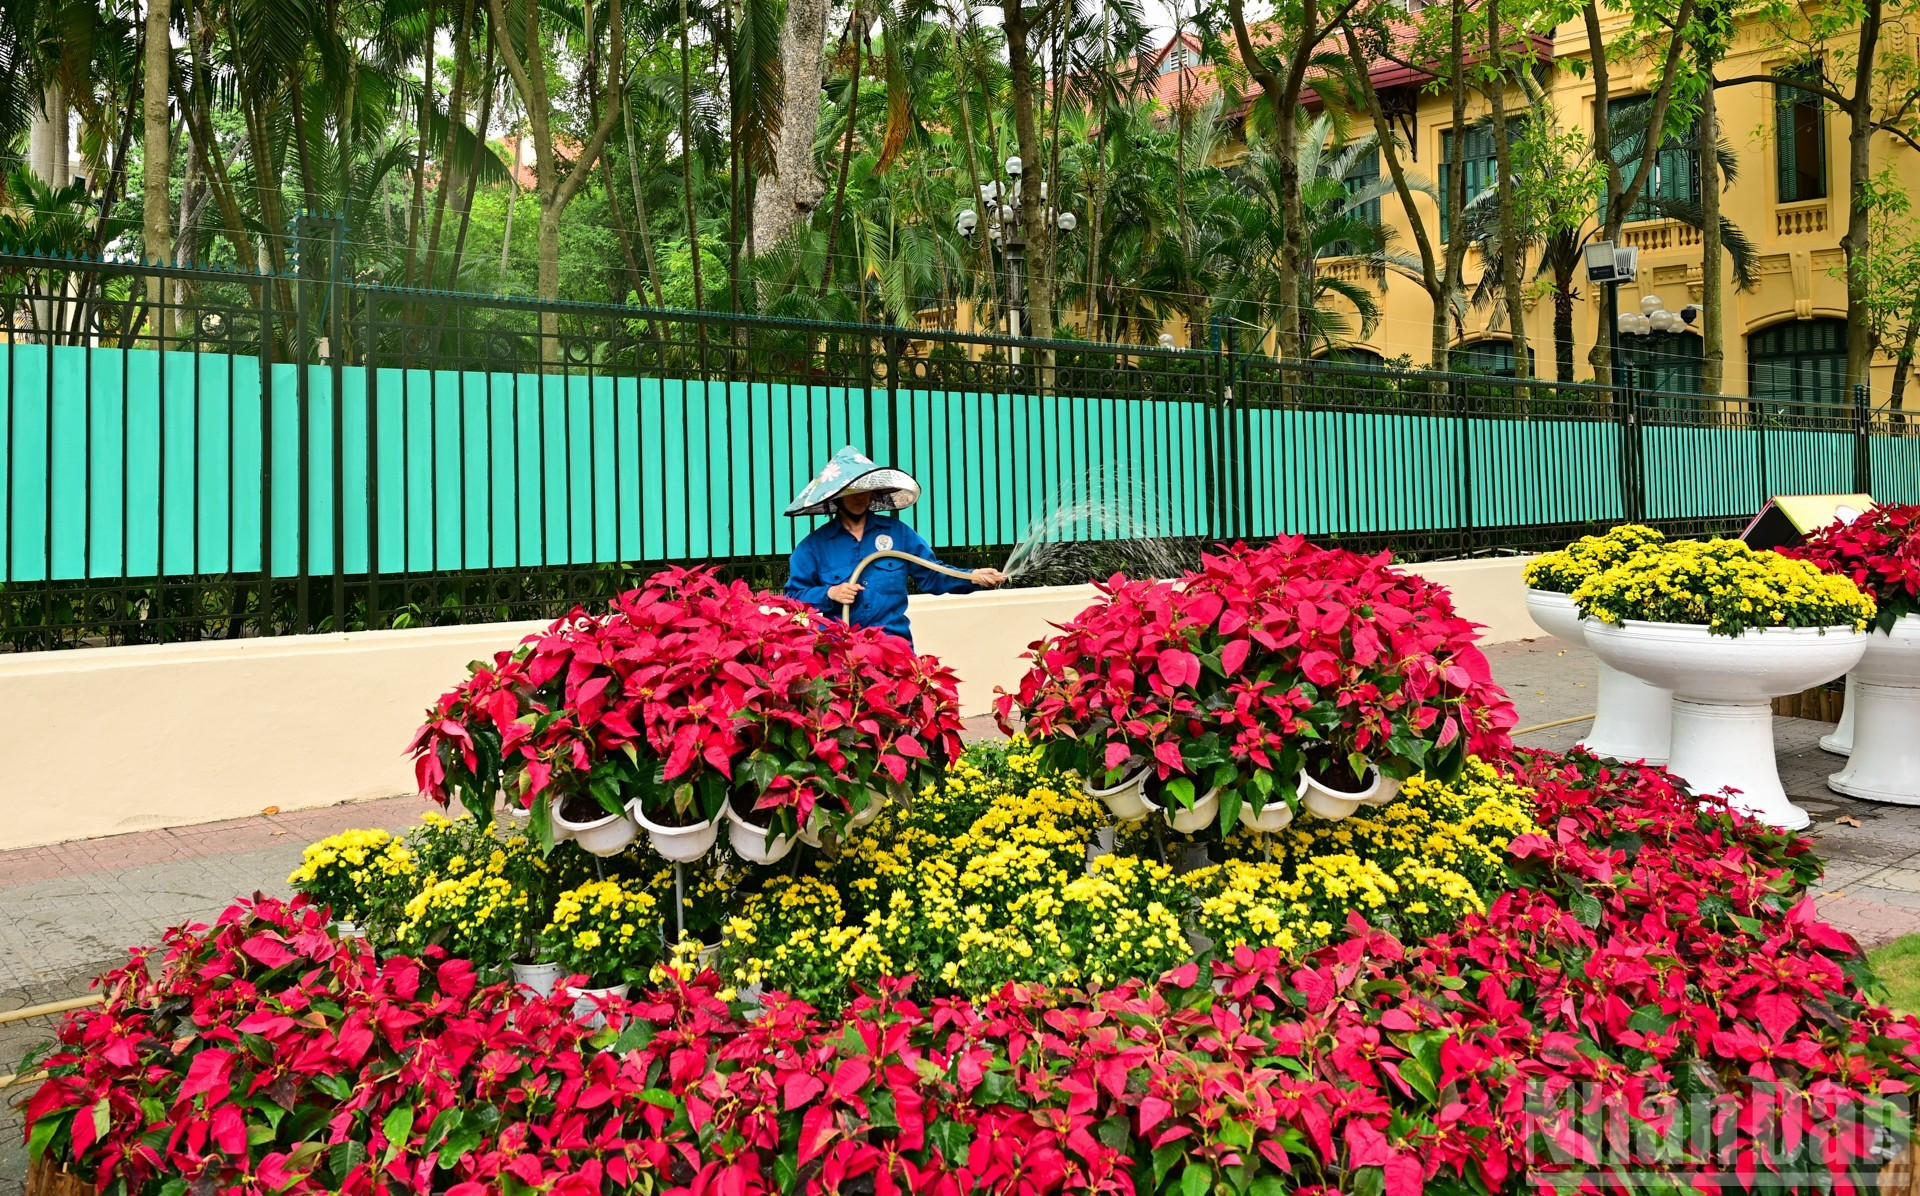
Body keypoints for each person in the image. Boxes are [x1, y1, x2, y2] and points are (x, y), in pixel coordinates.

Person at [784, 446, 1006, 645]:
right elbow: (792, 598)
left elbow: (933, 574)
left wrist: (973, 577)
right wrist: (830, 592)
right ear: (836, 496)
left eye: (865, 489)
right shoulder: (813, 547)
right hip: (841, 656)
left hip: (893, 649)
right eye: (851, 491)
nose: (860, 497)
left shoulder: (898, 533)